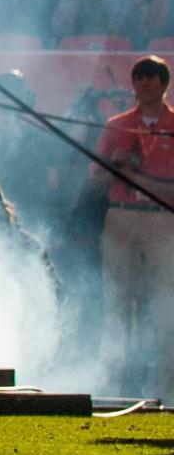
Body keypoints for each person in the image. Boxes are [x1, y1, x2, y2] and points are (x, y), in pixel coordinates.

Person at [91, 56, 174, 395]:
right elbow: (95, 181)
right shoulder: (117, 125)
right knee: (115, 303)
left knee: (164, 304)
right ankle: (112, 389)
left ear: (164, 83)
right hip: (121, 216)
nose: (145, 83)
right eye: (140, 77)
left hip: (162, 220)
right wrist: (116, 170)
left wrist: (135, 176)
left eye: (153, 77)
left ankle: (166, 390)